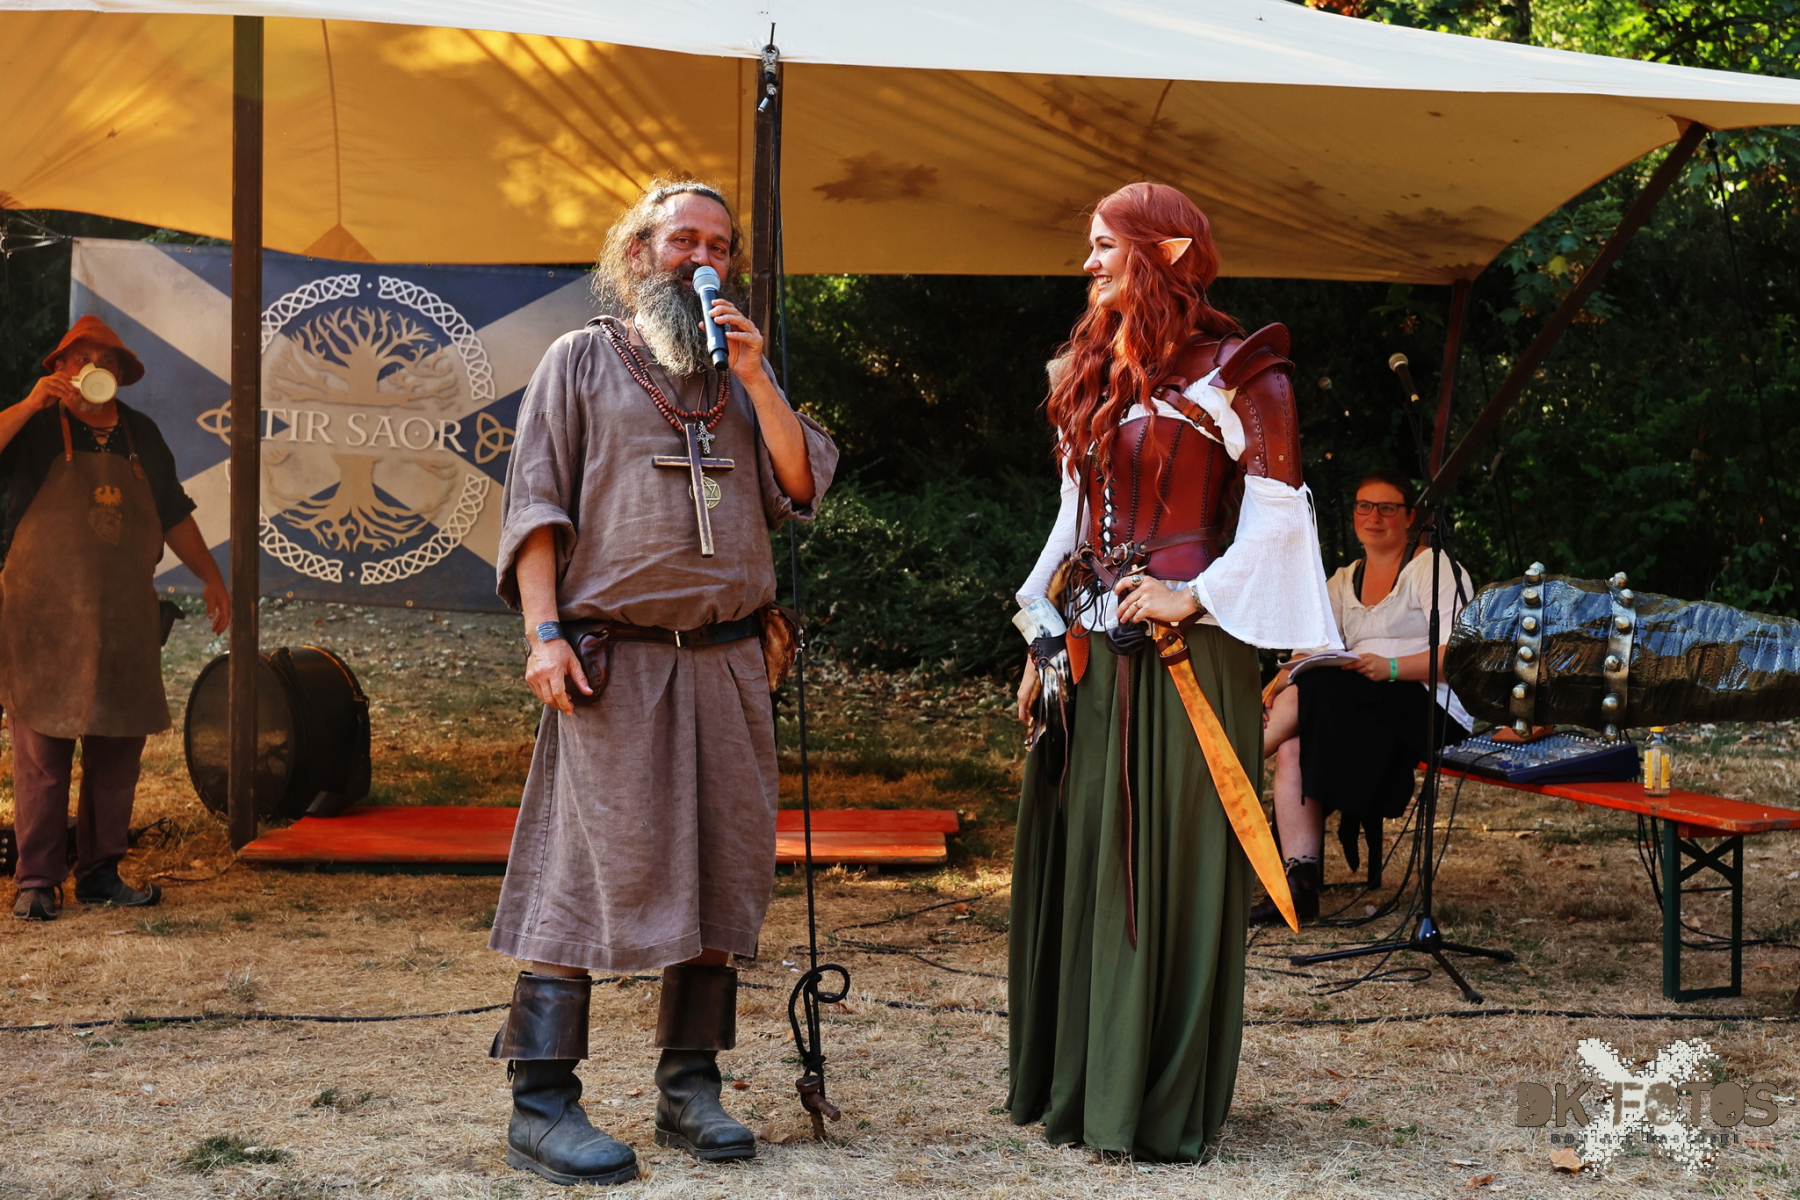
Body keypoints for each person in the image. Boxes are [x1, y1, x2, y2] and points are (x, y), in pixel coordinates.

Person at [485, 180, 837, 1187]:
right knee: (583, 869)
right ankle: (541, 1103)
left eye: (720, 245)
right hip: (613, 660)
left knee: (723, 870)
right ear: (638, 253)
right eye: (685, 239)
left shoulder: (742, 376)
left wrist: (759, 379)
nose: (704, 259)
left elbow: (800, 486)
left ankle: (690, 1089)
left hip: (728, 660)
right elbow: (536, 509)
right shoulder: (579, 360)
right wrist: (544, 635)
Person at [1007, 182, 1339, 1162]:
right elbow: (1073, 522)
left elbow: (1280, 520)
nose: (1088, 263)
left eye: (1104, 245)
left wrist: (1189, 598)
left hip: (1192, 645)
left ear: (1165, 255)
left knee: (1177, 863)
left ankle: (1155, 1103)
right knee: (1096, 855)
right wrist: (1037, 627)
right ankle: (1088, 1086)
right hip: (1098, 641)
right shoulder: (1092, 373)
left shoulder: (1245, 375)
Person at [4, 316, 230, 922]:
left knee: (116, 751)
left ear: (120, 375)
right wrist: (28, 404)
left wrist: (212, 577)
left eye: (105, 359)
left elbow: (173, 513)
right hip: (42, 618)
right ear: (59, 368)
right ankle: (37, 880)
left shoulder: (140, 434)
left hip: (123, 616)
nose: (92, 367)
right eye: (80, 357)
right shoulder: (33, 426)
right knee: (42, 753)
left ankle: (101, 873)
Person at [1252, 469, 1474, 925]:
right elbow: (1310, 651)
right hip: (1360, 704)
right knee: (1294, 740)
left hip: (1430, 705)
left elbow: (1463, 657)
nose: (1374, 517)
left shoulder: (1433, 569)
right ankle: (1299, 888)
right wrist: (1269, 691)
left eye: (1387, 508)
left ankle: (1227, 773)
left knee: (1317, 688)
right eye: (1364, 506)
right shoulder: (1342, 580)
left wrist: (1390, 667)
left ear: (1409, 517)